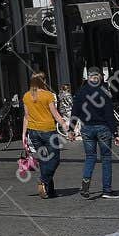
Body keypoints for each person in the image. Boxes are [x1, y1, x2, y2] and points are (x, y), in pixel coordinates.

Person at [72, 68, 119, 200]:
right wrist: (115, 133)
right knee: (106, 159)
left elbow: (75, 111)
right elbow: (109, 113)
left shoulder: (81, 91)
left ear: (88, 77)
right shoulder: (104, 91)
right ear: (99, 77)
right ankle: (106, 190)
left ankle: (85, 185)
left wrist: (71, 130)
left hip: (87, 128)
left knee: (90, 157)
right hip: (103, 128)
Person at [22, 72, 69, 200]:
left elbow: (26, 116)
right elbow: (55, 113)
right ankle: (43, 180)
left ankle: (49, 191)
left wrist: (23, 134)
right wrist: (64, 124)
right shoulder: (48, 95)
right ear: (43, 81)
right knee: (55, 159)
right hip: (48, 131)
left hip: (33, 132)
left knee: (44, 160)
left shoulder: (26, 96)